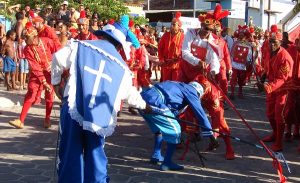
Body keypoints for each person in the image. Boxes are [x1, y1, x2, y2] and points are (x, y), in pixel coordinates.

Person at [52, 25, 147, 183]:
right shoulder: (120, 65)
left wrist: (56, 84)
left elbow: (57, 58)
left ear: (102, 36)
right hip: (99, 116)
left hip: (73, 108)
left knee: (71, 154)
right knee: (96, 157)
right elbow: (129, 94)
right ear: (119, 46)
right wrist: (146, 106)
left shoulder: (80, 46)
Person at [140, 80, 218, 171]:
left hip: (142, 101)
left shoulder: (178, 85)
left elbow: (173, 110)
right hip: (155, 103)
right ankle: (167, 163)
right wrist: (211, 136)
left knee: (160, 128)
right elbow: (200, 114)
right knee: (176, 130)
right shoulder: (191, 91)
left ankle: (156, 156)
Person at [8, 23, 59, 129]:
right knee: (31, 92)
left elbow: (58, 51)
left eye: (27, 37)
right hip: (37, 73)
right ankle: (20, 120)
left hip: (49, 71)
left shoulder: (46, 41)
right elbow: (34, 66)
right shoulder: (27, 49)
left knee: (49, 95)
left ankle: (47, 119)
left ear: (35, 37)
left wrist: (57, 66)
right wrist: (43, 82)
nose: (25, 40)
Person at [259, 25, 294, 152]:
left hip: (283, 90)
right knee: (269, 113)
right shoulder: (269, 52)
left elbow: (282, 78)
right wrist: (263, 76)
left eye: (274, 42)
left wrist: (268, 86)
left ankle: (279, 142)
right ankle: (275, 134)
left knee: (279, 115)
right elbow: (267, 67)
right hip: (272, 88)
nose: (272, 44)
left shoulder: (285, 57)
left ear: (280, 42)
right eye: (270, 42)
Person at [158, 12, 184, 82]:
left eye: (174, 24)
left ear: (179, 26)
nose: (171, 26)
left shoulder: (183, 36)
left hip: (177, 65)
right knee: (166, 84)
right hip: (166, 64)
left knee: (175, 84)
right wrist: (161, 59)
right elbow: (160, 48)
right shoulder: (165, 35)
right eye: (171, 24)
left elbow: (185, 51)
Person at [229, 25, 253, 99]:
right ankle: (232, 93)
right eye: (240, 34)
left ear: (245, 35)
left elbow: (249, 54)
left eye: (242, 35)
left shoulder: (248, 44)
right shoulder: (235, 43)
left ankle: (240, 92)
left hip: (243, 65)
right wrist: (230, 61)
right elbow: (232, 52)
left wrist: (248, 61)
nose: (241, 36)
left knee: (241, 79)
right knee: (233, 78)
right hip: (235, 64)